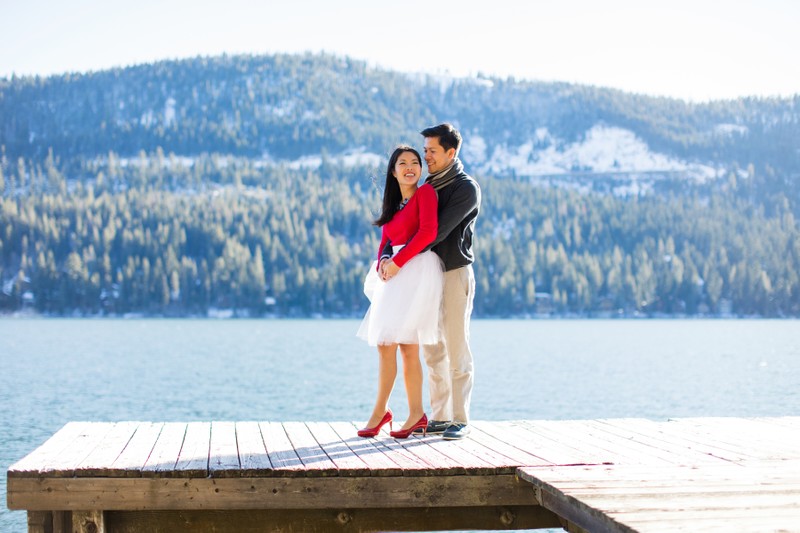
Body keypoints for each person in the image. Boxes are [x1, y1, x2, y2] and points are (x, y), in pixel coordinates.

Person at [381, 123, 481, 440]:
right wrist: (386, 255)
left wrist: (398, 259)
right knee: (432, 348)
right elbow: (398, 228)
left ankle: (460, 417)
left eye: (432, 151)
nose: (426, 157)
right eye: (425, 151)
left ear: (451, 153)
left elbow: (434, 232)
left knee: (455, 343)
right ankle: (440, 416)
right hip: (425, 275)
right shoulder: (427, 188)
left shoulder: (465, 188)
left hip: (453, 272)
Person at [356, 145, 444, 439]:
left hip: (415, 269)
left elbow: (428, 233)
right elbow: (385, 241)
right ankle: (400, 413)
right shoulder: (394, 207)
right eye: (402, 163)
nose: (410, 167)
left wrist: (397, 263)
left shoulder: (426, 194)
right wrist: (383, 261)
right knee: (388, 344)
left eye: (415, 162)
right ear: (393, 172)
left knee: (406, 347)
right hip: (395, 273)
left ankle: (400, 413)